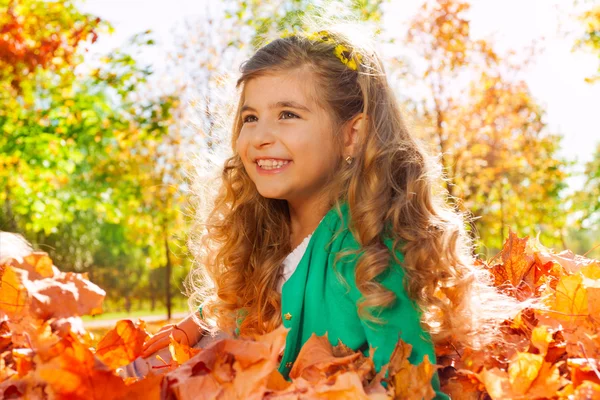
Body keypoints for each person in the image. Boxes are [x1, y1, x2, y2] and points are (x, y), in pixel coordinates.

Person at [138, 22, 523, 399]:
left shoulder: (369, 252)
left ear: (351, 135)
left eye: (288, 114)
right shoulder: (265, 237)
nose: (259, 136)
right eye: (250, 118)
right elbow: (255, 300)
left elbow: (412, 387)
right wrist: (195, 323)